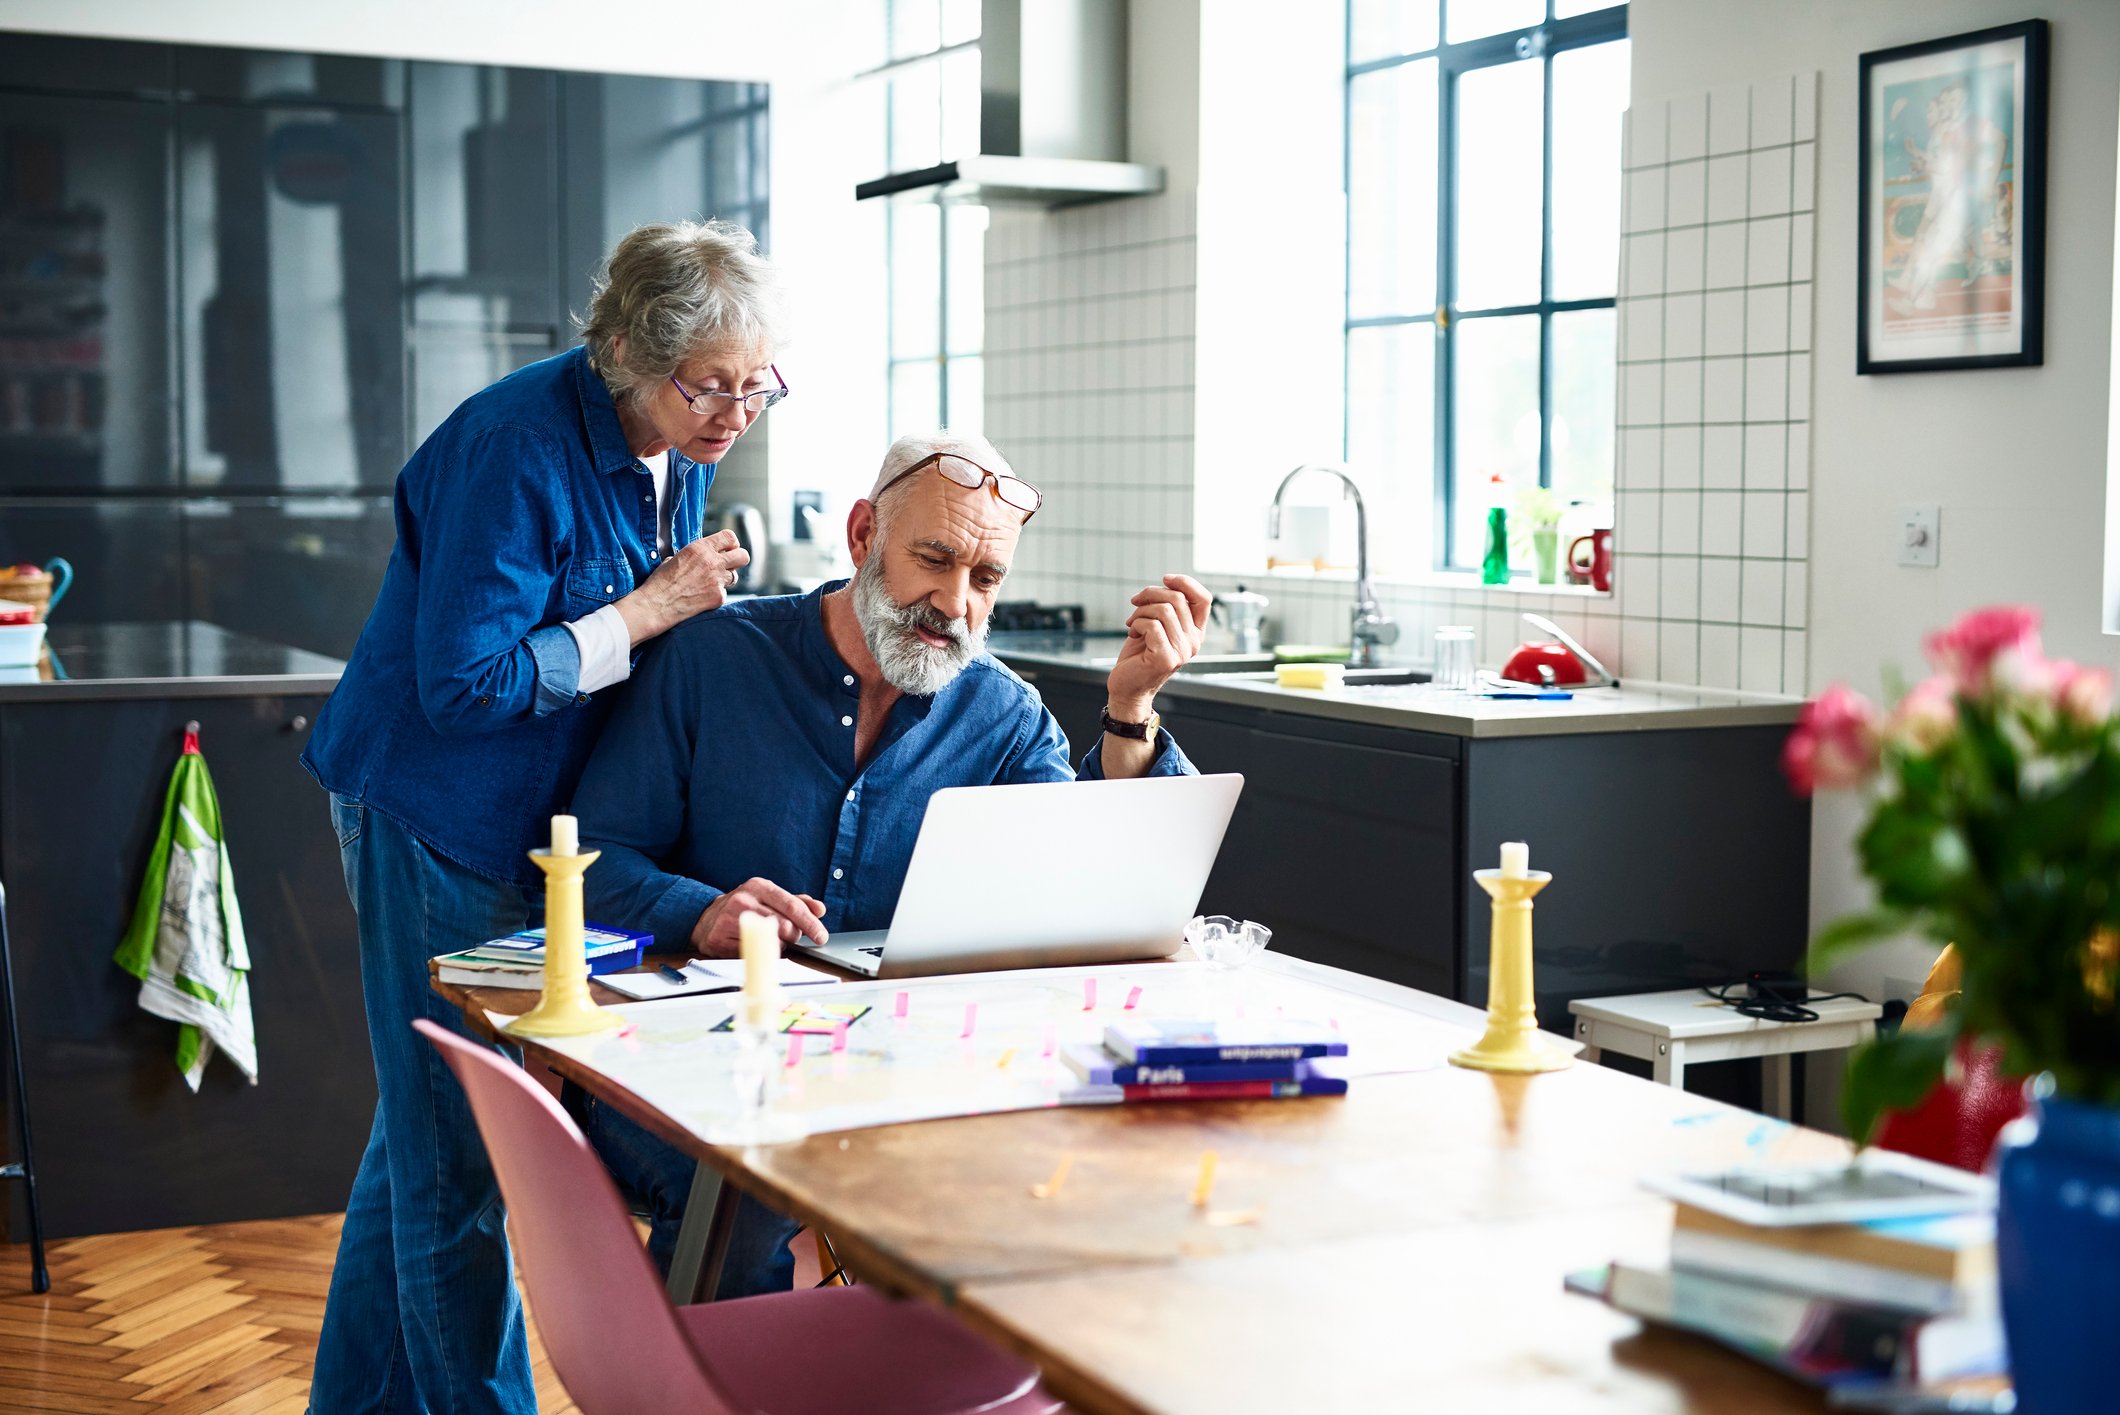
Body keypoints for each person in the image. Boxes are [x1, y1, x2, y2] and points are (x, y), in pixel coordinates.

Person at [299, 218, 786, 1414]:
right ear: (625, 353)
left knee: (421, 1141)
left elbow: (652, 611)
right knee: (457, 1158)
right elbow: (461, 686)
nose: (731, 413)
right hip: (435, 809)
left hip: (534, 825)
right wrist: (648, 607)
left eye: (754, 384)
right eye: (706, 385)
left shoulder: (686, 435)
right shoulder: (515, 446)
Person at [569, 429, 1211, 1292]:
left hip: (904, 1072)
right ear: (864, 533)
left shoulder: (1003, 717)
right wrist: (701, 910)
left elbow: (1093, 886)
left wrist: (1130, 706)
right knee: (747, 1184)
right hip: (691, 1065)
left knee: (1055, 1168)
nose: (954, 602)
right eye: (935, 559)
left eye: (985, 580)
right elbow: (592, 858)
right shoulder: (711, 659)